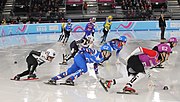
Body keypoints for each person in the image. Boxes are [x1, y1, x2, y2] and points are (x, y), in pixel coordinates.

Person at [99, 44, 172, 93]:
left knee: (130, 78)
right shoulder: (154, 54)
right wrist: (129, 56)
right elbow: (139, 49)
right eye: (168, 54)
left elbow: (147, 69)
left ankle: (110, 82)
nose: (168, 56)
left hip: (137, 64)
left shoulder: (158, 61)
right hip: (134, 60)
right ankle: (127, 86)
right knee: (142, 74)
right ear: (163, 53)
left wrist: (152, 81)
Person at [45, 44, 112, 85]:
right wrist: (80, 52)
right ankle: (71, 79)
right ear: (103, 51)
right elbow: (84, 49)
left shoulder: (102, 59)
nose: (108, 55)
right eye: (108, 53)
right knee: (84, 69)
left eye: (109, 53)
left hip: (81, 60)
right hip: (80, 57)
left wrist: (96, 74)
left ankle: (54, 79)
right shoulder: (95, 52)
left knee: (70, 71)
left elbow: (95, 64)